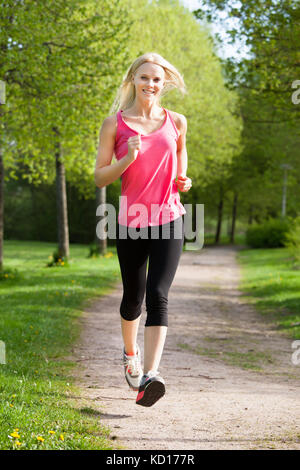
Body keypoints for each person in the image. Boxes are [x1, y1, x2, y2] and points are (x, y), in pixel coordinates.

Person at [94, 52, 192, 407]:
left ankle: (150, 375)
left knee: (159, 294)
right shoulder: (115, 124)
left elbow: (181, 157)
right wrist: (126, 159)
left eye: (157, 78)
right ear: (133, 79)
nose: (151, 84)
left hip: (170, 217)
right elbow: (100, 176)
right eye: (145, 77)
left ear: (165, 82)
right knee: (133, 298)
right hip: (131, 220)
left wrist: (183, 180)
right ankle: (130, 355)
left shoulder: (177, 121)